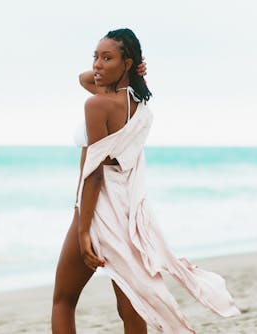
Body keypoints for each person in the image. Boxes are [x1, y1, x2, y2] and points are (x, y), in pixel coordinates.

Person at [51, 28, 241, 334]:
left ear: (127, 63)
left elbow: (95, 172)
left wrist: (84, 229)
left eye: (107, 58)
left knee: (63, 300)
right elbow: (84, 79)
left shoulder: (98, 105)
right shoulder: (136, 103)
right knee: (132, 307)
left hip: (97, 208)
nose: (97, 65)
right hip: (127, 211)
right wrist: (128, 69)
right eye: (95, 57)